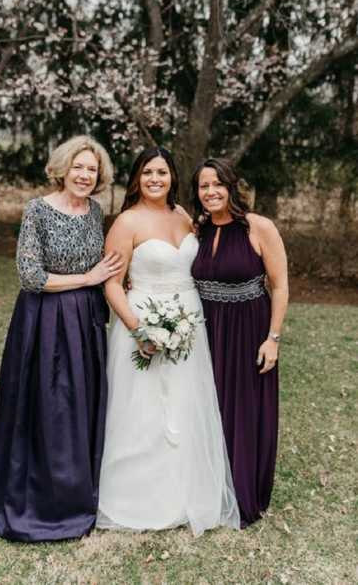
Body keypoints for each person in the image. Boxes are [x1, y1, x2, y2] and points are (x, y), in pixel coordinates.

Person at [0, 135, 123, 542]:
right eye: (79, 166)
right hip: (45, 319)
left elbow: (105, 263)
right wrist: (86, 280)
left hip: (86, 320)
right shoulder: (37, 210)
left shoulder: (94, 212)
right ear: (63, 168)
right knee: (48, 403)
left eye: (92, 169)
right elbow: (31, 276)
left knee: (80, 404)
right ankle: (41, 494)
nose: (85, 175)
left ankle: (78, 486)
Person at [96, 147, 240, 536]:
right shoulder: (126, 222)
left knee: (184, 402)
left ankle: (184, 489)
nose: (155, 179)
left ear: (173, 177)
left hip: (190, 321)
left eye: (162, 172)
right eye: (147, 173)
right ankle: (138, 494)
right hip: (141, 321)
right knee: (143, 407)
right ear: (137, 178)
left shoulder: (184, 217)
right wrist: (138, 329)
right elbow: (112, 283)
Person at [191, 158, 289, 528]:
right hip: (206, 329)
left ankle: (244, 490)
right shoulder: (196, 230)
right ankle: (209, 485)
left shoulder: (258, 227)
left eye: (218, 183)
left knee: (244, 410)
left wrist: (273, 338)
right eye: (203, 186)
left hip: (249, 330)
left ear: (232, 186)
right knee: (208, 407)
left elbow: (279, 286)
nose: (211, 191)